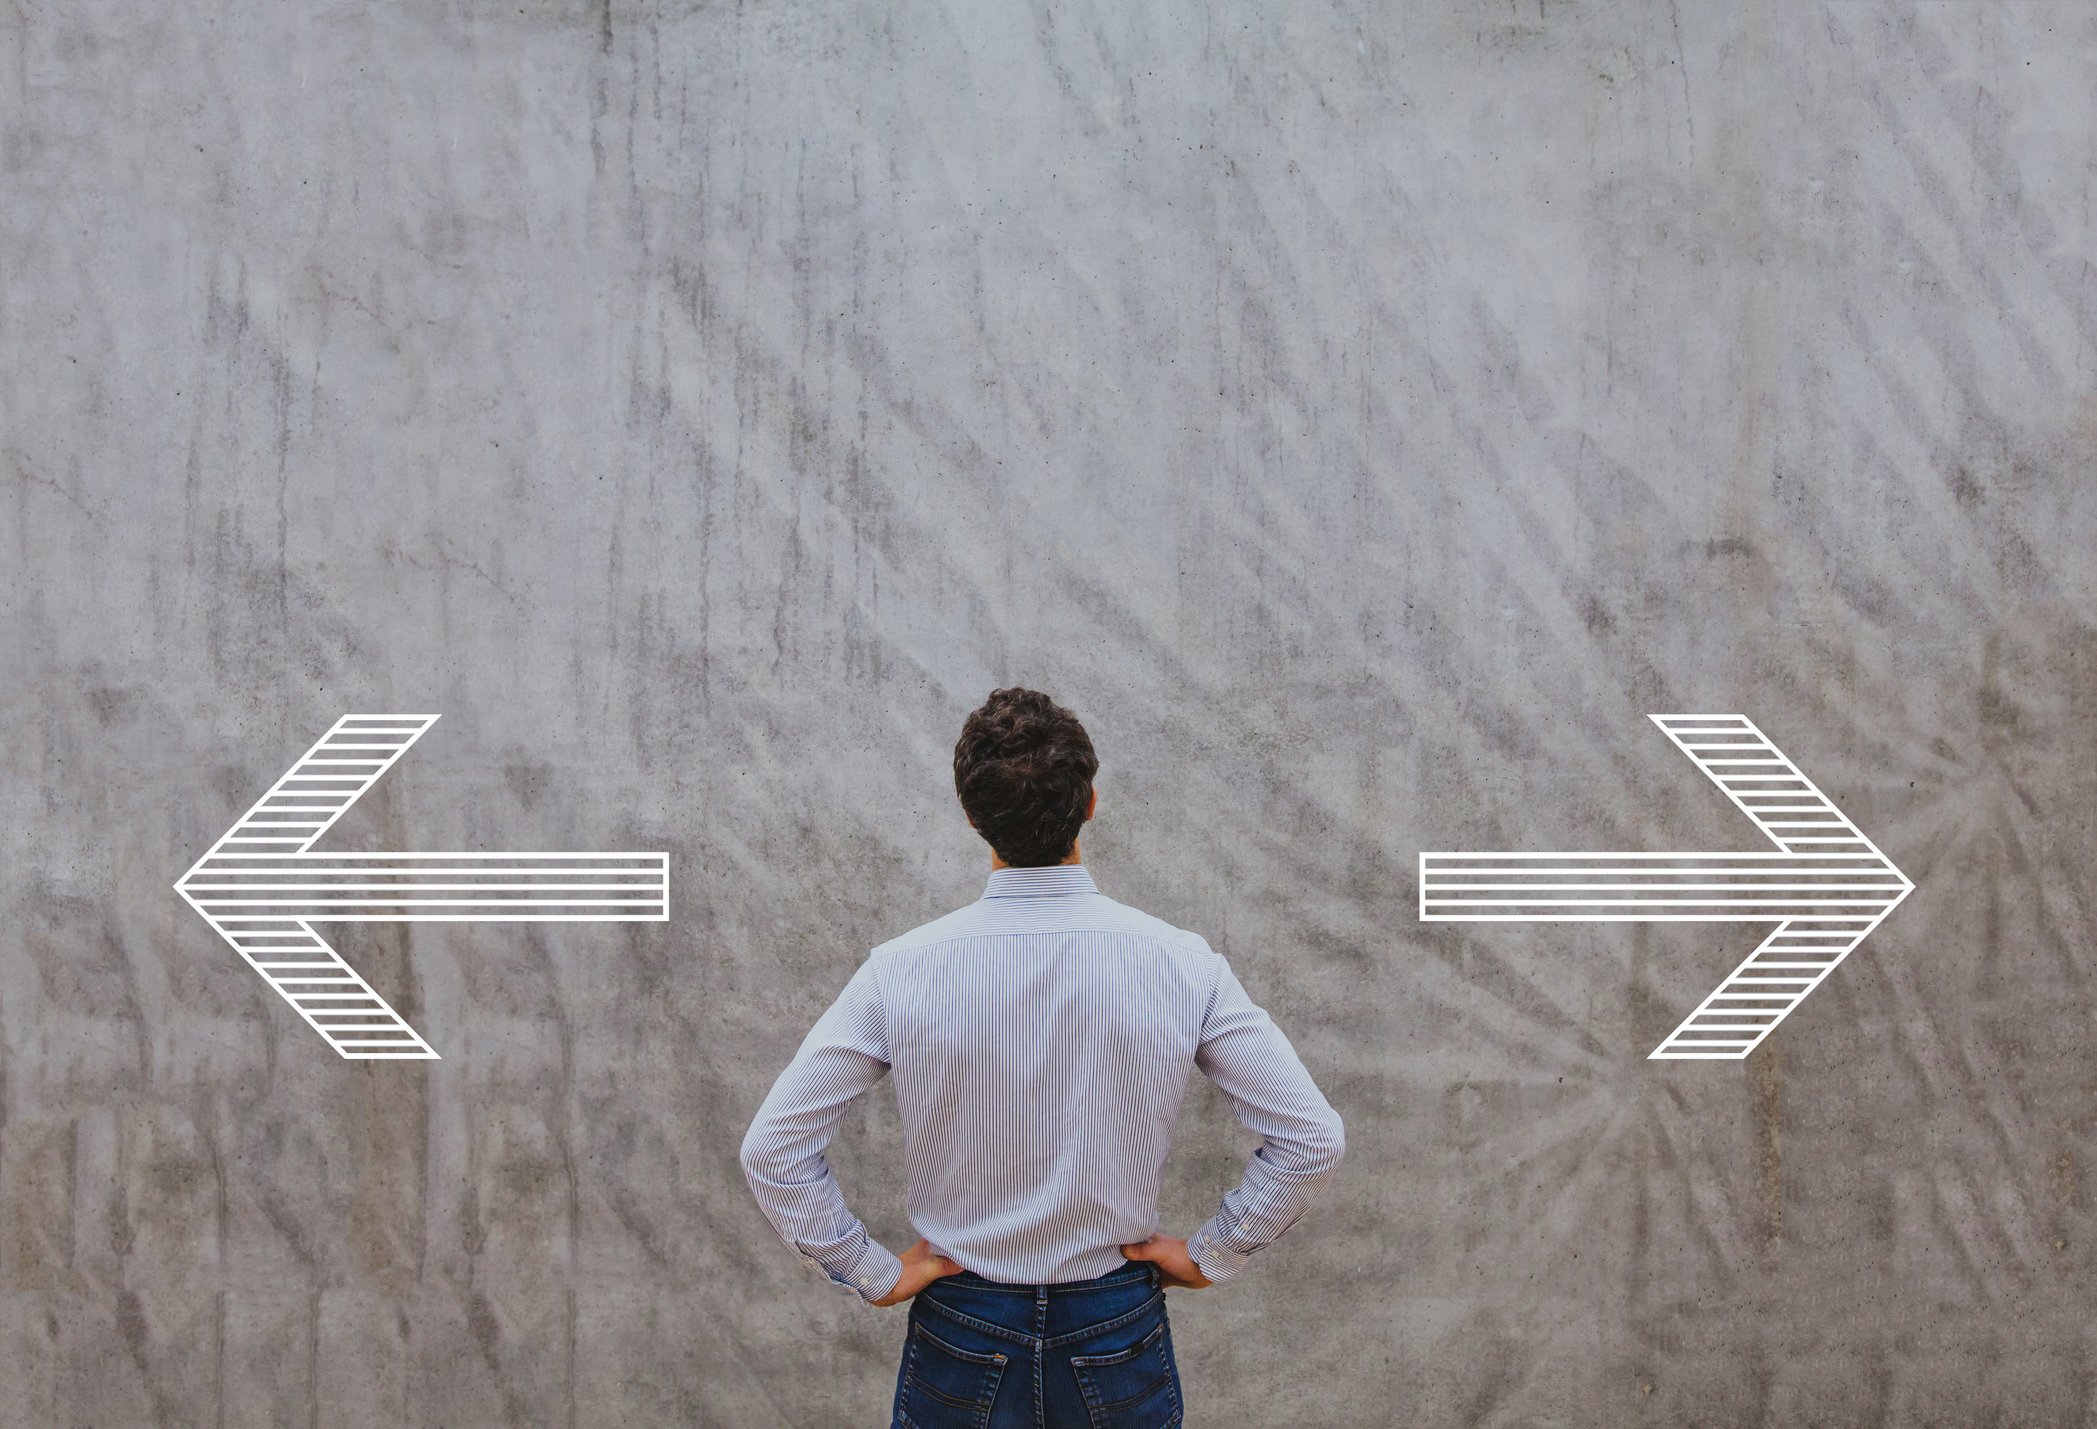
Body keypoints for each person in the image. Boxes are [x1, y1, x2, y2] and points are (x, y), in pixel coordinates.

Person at [740, 687, 1346, 1427]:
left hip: (962, 1323)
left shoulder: (901, 969)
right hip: (1113, 1319)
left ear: (971, 815)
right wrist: (1212, 1252)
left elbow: (774, 1147)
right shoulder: (1180, 963)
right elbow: (1310, 1139)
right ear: (1089, 802)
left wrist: (869, 1270)